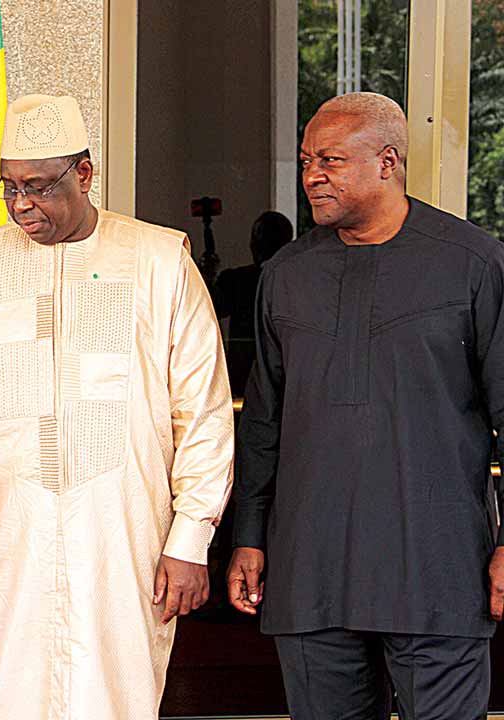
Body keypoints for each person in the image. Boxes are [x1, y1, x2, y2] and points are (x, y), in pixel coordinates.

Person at [0, 94, 234, 719]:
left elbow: (202, 413)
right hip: (6, 532)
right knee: (9, 695)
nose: (22, 205)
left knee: (116, 699)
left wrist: (191, 536)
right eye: (9, 186)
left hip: (123, 536)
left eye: (39, 187)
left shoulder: (159, 262)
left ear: (85, 174)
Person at [228, 92, 504, 719]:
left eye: (330, 160)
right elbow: (265, 422)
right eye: (305, 161)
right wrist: (249, 535)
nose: (312, 177)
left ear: (387, 162)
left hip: (436, 570)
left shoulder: (474, 263)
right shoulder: (288, 274)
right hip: (311, 570)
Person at [211, 210, 293, 394]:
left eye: (259, 238)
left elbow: (207, 310)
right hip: (254, 379)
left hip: (253, 378)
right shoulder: (299, 283)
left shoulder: (236, 280)